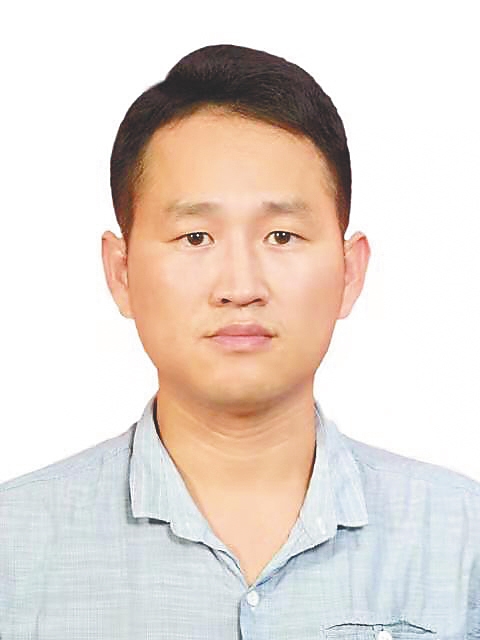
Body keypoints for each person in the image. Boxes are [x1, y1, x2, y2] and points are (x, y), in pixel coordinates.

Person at [0, 43, 478, 639]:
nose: (241, 287)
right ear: (120, 273)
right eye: (196, 237)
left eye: (281, 236)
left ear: (350, 273)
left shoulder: (462, 542)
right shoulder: (13, 550)